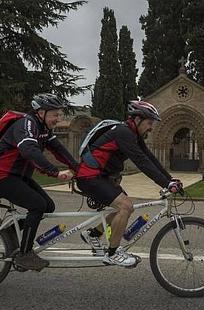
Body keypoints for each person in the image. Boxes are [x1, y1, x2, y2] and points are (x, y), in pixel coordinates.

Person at [76, 100, 183, 267]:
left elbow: (150, 158)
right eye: (149, 123)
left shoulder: (133, 134)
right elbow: (141, 162)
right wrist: (165, 184)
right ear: (137, 119)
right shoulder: (123, 132)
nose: (151, 127)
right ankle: (112, 254)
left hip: (101, 176)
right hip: (89, 176)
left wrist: (169, 180)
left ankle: (93, 234)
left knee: (127, 207)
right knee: (124, 207)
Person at [0, 93, 78, 271]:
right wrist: (55, 173)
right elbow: (29, 151)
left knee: (48, 206)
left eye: (59, 115)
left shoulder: (42, 128)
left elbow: (57, 148)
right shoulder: (26, 124)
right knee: (37, 205)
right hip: (0, 175)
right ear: (41, 112)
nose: (58, 119)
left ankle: (11, 232)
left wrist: (77, 167)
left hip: (18, 176)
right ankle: (24, 254)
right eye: (55, 115)